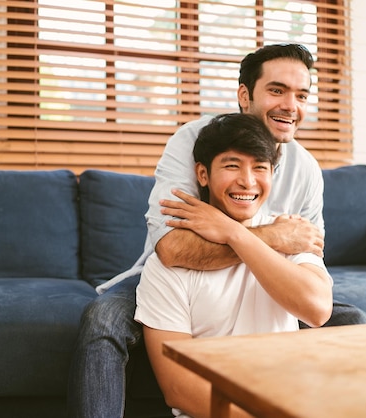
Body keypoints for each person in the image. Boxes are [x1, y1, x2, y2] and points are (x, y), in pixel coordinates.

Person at [67, 43, 366, 418]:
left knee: (355, 323)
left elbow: (309, 260)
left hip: (267, 276)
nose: (291, 106)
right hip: (186, 273)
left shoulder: (306, 169)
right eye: (276, 91)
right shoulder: (194, 142)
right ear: (245, 95)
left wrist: (236, 234)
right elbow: (174, 249)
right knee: (101, 321)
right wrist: (273, 237)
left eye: (301, 95)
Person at [135, 113, 334, 418]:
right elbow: (178, 387)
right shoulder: (167, 266)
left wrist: (234, 233)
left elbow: (317, 309)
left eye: (260, 167)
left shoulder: (289, 235)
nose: (247, 181)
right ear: (203, 174)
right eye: (232, 165)